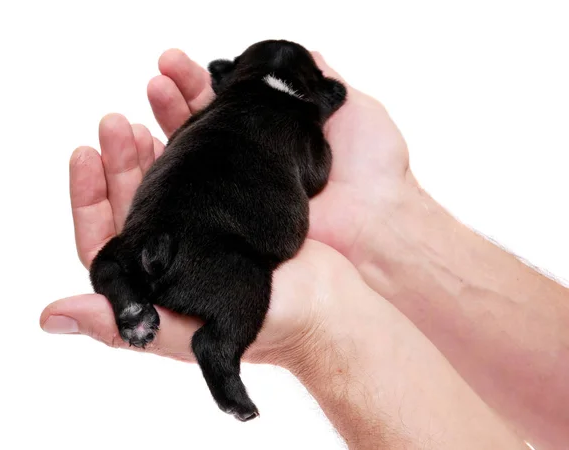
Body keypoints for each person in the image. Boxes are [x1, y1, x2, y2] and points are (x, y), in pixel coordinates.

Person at [40, 50, 568, 449]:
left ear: (228, 79)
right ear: (320, 96)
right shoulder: (301, 127)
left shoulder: (210, 116)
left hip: (160, 224)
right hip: (223, 252)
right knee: (244, 289)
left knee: (124, 251)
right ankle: (218, 353)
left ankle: (122, 283)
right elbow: (313, 174)